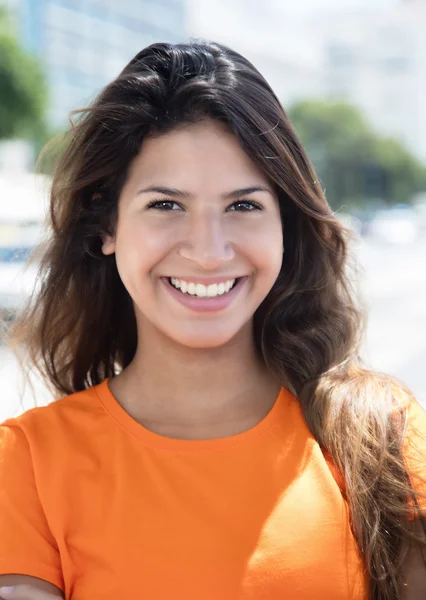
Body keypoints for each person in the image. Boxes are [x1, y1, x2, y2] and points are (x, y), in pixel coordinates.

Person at [0, 40, 425, 600]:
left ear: (286, 227)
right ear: (106, 226)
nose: (208, 251)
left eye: (243, 206)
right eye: (166, 205)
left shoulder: (378, 435)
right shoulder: (27, 464)